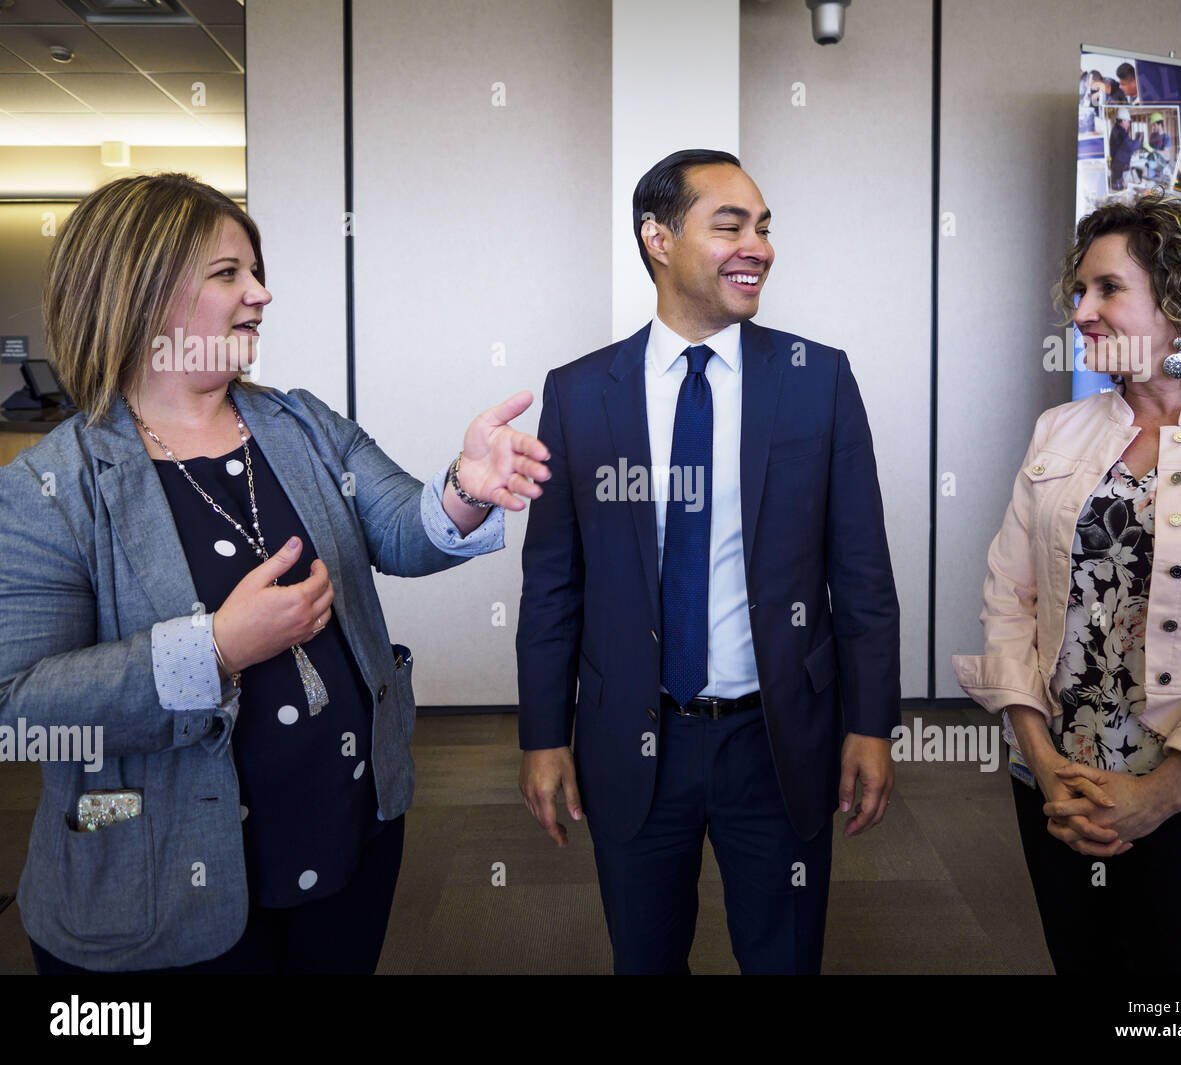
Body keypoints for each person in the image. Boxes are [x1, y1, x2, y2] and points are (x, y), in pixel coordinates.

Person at [0, 172, 550, 974]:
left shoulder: (299, 421)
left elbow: (402, 528)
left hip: (348, 833)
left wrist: (467, 488)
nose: (261, 293)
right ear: (141, 292)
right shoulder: (52, 484)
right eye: (229, 273)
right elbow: (19, 707)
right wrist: (215, 649)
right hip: (162, 877)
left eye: (255, 271)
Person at [515, 148, 901, 974]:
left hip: (778, 737)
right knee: (645, 958)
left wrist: (871, 724)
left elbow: (863, 575)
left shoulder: (817, 380)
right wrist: (543, 735)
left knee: (785, 957)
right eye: (730, 226)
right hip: (632, 737)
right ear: (658, 239)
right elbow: (552, 583)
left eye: (764, 227)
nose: (758, 246)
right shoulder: (580, 394)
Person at [952, 191, 1181, 974]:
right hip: (1060, 787)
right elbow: (1009, 602)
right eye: (1080, 290)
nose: (1081, 312)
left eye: (1107, 288)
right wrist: (1043, 764)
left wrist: (1163, 792)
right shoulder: (1060, 431)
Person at [1108, 107, 1142, 190]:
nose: (1129, 124)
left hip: (1118, 166)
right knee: (1119, 189)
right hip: (1119, 167)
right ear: (1123, 121)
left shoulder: (1116, 130)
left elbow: (1124, 146)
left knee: (1119, 187)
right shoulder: (1120, 131)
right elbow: (1130, 146)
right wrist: (1139, 141)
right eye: (1128, 122)